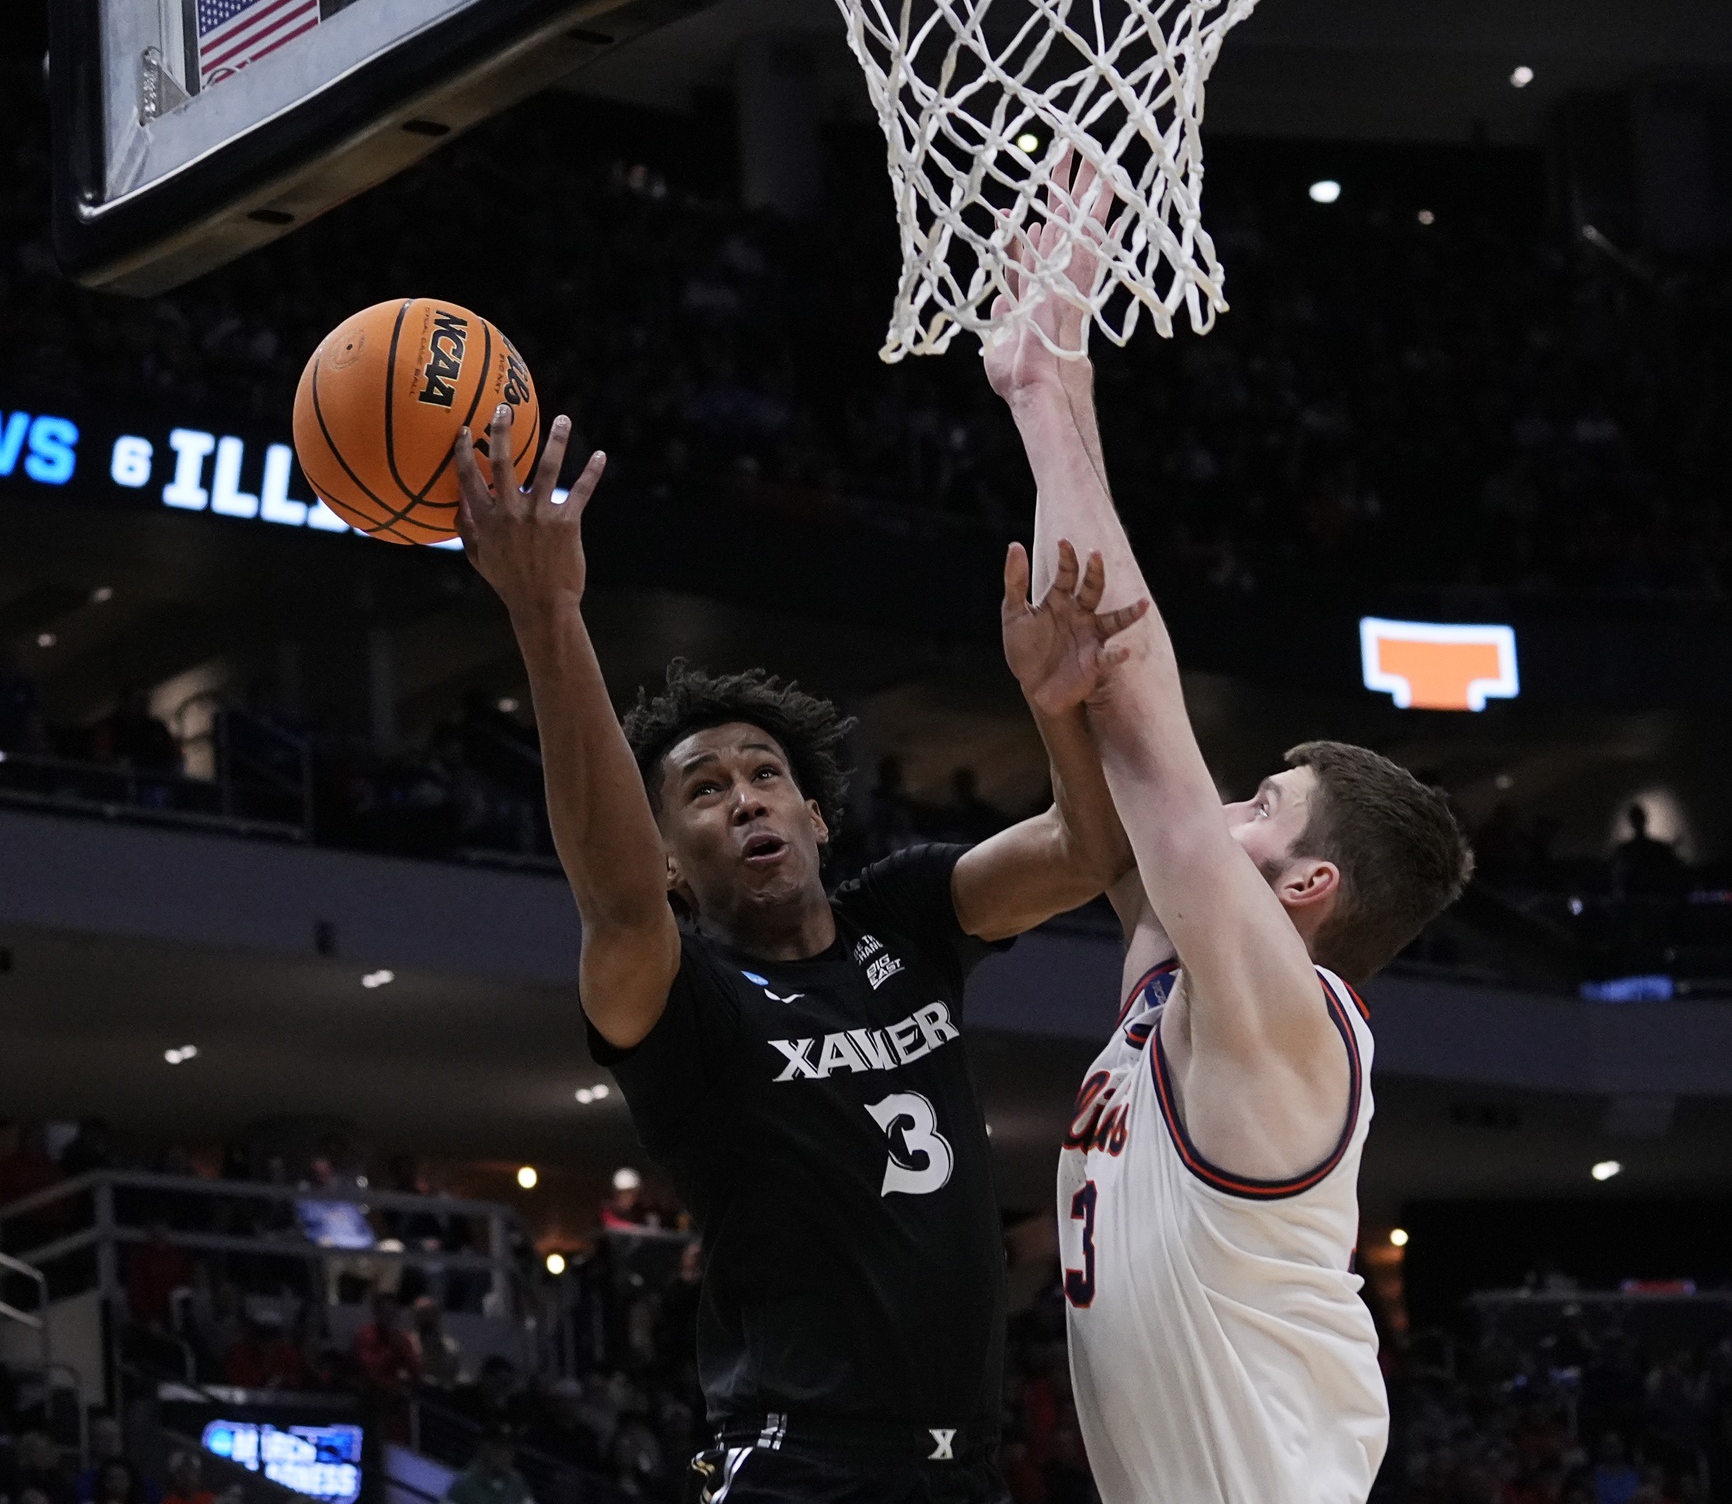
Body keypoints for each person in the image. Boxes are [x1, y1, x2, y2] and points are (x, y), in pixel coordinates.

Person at [454, 405, 1138, 1503]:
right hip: (796, 1466)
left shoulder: (906, 913)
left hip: (963, 1470)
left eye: (765, 775)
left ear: (817, 817)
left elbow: (1088, 848)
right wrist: (548, 612)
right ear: (671, 859)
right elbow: (617, 904)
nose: (746, 799)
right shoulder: (686, 1004)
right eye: (705, 792)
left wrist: (1057, 710)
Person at [982, 157, 1474, 1504]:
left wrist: (1047, 389)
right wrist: (1055, 707)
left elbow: (1149, 746)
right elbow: (1120, 814)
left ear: (1311, 884)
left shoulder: (1288, 1023)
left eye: (1264, 806)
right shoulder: (1185, 1002)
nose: (1225, 809)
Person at [443, 1427, 533, 1504]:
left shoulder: (516, 1481)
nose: (505, 1456)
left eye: (509, 1450)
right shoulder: (464, 1485)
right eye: (499, 1448)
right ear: (485, 1448)